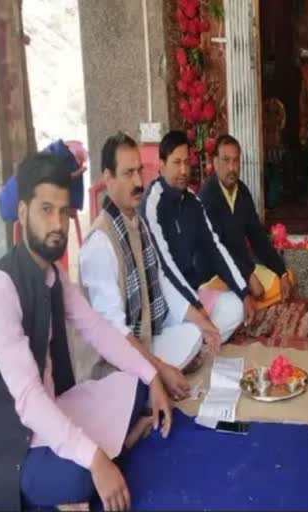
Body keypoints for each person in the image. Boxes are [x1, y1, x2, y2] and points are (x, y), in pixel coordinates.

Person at [0, 153, 174, 512]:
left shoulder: (53, 277)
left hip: (51, 410)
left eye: (64, 212)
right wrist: (96, 460)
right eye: (46, 210)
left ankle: (102, 459)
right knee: (82, 477)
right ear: (23, 214)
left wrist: (153, 374)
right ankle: (101, 464)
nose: (58, 224)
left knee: (139, 387)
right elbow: (27, 398)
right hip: (7, 447)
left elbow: (97, 330)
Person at [79, 133, 223, 389]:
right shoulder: (100, 241)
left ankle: (154, 375)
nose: (138, 182)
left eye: (139, 171)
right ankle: (148, 383)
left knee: (196, 332)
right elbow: (112, 331)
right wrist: (157, 370)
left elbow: (162, 281)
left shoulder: (138, 223)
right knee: (136, 388)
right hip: (115, 360)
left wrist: (201, 321)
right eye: (127, 174)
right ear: (108, 178)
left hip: (146, 336)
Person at [141, 130, 253, 342]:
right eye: (176, 163)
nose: (183, 170)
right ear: (162, 164)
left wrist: (244, 291)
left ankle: (198, 344)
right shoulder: (152, 205)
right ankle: (196, 341)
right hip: (166, 305)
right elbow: (165, 267)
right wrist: (197, 310)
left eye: (186, 162)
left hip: (193, 293)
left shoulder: (193, 202)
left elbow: (215, 247)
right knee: (195, 329)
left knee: (236, 307)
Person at [198, 134, 296, 310]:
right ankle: (241, 301)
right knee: (236, 303)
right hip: (216, 273)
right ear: (215, 162)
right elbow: (217, 250)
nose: (231, 167)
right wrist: (248, 276)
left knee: (286, 279)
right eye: (226, 160)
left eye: (236, 161)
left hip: (243, 267)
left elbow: (257, 236)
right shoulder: (207, 196)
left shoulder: (242, 192)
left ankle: (247, 300)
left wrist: (280, 272)